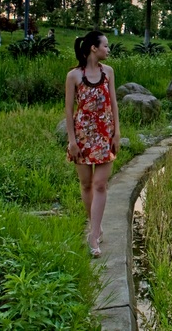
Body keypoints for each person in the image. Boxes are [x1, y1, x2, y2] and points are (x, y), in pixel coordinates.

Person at [65, 30, 120, 258]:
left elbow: (114, 103)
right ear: (93, 48)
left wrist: (117, 133)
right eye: (105, 46)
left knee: (99, 184)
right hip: (83, 137)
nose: (108, 50)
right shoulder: (74, 76)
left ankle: (93, 234)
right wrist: (72, 141)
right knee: (86, 184)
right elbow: (69, 110)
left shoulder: (108, 72)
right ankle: (95, 225)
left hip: (105, 135)